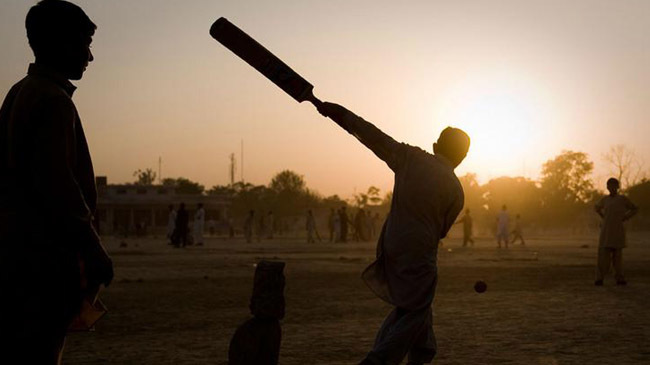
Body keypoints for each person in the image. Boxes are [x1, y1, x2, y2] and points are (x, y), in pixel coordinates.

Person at [0, 1, 113, 363]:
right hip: (41, 263)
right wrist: (93, 249)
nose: (90, 57)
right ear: (59, 43)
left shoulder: (21, 92)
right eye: (84, 44)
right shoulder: (53, 101)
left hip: (16, 258)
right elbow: (59, 187)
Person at [316, 102, 469, 365]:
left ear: (435, 146)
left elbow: (369, 134)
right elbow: (441, 231)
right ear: (462, 158)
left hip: (392, 244)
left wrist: (336, 112)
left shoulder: (410, 158)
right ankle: (380, 358)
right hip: (421, 251)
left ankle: (423, 353)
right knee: (416, 307)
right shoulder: (456, 190)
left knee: (415, 303)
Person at [594, 178, 638, 286]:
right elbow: (597, 208)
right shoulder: (605, 199)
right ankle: (600, 278)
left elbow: (634, 208)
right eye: (609, 186)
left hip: (618, 230)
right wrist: (603, 217)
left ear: (618, 187)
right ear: (607, 187)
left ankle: (619, 278)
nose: (611, 188)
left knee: (617, 257)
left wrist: (625, 217)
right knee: (603, 257)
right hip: (606, 230)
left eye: (614, 186)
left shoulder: (622, 199)